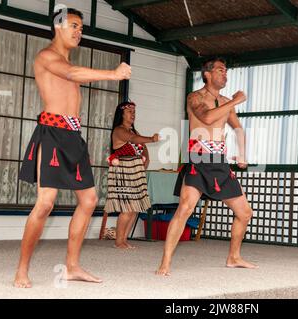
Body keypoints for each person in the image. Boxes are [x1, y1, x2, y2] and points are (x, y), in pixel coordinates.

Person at [14, 7, 132, 288]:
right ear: (58, 27)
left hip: (73, 136)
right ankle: (21, 270)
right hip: (51, 134)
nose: (79, 32)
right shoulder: (46, 56)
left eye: (82, 28)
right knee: (45, 204)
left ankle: (72, 267)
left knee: (89, 201)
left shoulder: (65, 59)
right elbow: (73, 73)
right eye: (74, 26)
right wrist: (113, 75)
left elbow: (73, 73)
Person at [156, 57, 257, 276]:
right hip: (198, 160)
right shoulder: (196, 97)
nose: (225, 74)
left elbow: (238, 128)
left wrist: (242, 154)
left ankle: (234, 257)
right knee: (184, 209)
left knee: (245, 212)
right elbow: (208, 118)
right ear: (207, 74)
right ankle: (165, 262)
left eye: (226, 71)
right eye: (221, 70)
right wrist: (235, 102)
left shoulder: (225, 100)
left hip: (219, 162)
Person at [104, 101, 159, 249]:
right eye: (129, 112)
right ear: (121, 114)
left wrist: (146, 161)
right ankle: (118, 242)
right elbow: (134, 140)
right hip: (123, 171)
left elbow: (142, 146)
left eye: (134, 112)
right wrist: (151, 139)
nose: (133, 114)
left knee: (135, 207)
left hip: (135, 171)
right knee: (128, 208)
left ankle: (123, 240)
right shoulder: (119, 130)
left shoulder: (134, 132)